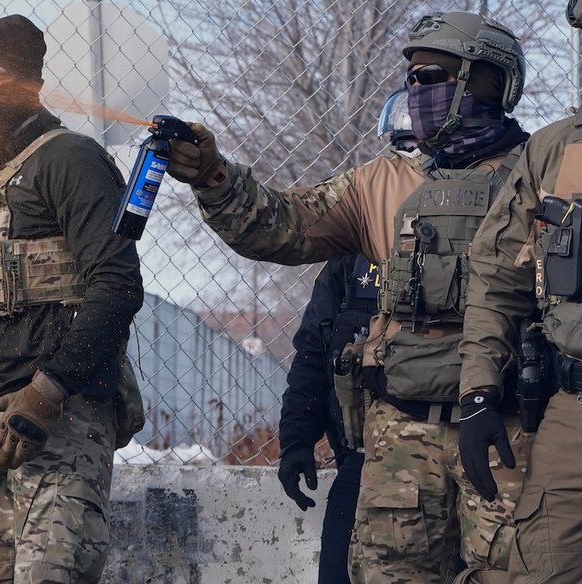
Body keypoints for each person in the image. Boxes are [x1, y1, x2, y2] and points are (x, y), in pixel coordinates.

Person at [167, 11, 532, 583]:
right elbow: (277, 225)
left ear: (489, 80)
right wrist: (213, 174)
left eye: (434, 75)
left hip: (506, 429)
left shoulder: (543, 178)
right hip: (399, 437)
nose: (418, 91)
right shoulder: (381, 184)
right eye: (412, 78)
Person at [0, 14, 144, 584]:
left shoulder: (69, 158)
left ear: (31, 82)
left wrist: (48, 392)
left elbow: (116, 285)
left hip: (60, 413)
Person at [458, 3, 582, 582]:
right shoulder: (557, 150)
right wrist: (479, 393)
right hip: (574, 414)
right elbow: (496, 276)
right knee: (542, 568)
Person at [276, 88, 419, 584]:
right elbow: (314, 351)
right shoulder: (350, 258)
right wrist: (296, 440)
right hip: (358, 462)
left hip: (445, 453)